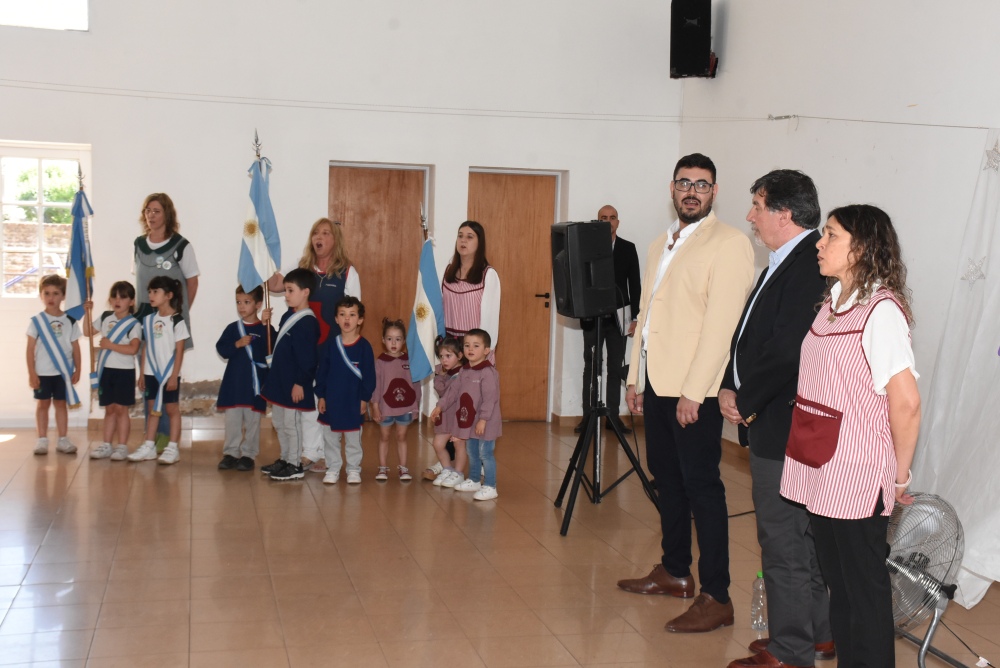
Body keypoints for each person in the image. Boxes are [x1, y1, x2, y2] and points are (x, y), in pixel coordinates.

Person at [617, 153, 754, 633]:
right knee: (665, 480)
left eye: (702, 184)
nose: (691, 191)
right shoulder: (661, 243)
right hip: (657, 382)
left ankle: (717, 595)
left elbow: (722, 328)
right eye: (684, 183)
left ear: (714, 192)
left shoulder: (731, 244)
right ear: (672, 189)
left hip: (695, 390)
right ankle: (675, 570)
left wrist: (697, 393)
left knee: (703, 488)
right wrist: (635, 377)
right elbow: (647, 316)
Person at [779, 204, 920, 668]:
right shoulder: (832, 303)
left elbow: (906, 402)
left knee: (865, 592)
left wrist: (898, 477)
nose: (820, 244)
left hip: (856, 474)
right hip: (820, 463)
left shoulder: (882, 312)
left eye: (831, 236)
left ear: (861, 247)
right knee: (839, 587)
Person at [718, 171, 834, 668]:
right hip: (774, 417)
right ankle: (817, 634)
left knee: (783, 540)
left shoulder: (808, 265)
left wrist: (746, 400)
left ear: (784, 214)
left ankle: (790, 651)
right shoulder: (783, 262)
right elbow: (748, 333)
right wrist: (729, 380)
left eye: (757, 206)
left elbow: (788, 349)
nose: (750, 216)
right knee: (799, 539)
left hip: (784, 424)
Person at [268, 218, 361, 474]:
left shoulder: (348, 272)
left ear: (335, 240)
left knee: (324, 400)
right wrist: (261, 261)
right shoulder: (302, 266)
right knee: (305, 401)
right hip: (305, 347)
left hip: (332, 347)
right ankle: (307, 451)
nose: (319, 237)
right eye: (315, 233)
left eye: (325, 233)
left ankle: (320, 452)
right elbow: (274, 285)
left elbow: (353, 311)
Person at [433, 220, 500, 479]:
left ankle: (478, 462)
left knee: (474, 405)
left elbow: (491, 317)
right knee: (450, 404)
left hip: (473, 350)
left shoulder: (488, 274)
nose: (463, 241)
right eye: (460, 235)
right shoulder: (448, 271)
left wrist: (483, 354)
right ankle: (448, 461)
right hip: (451, 347)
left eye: (470, 236)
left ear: (479, 242)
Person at [577, 204, 642, 435]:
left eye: (612, 217)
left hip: (619, 319)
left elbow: (635, 285)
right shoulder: (586, 248)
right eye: (603, 218)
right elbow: (580, 283)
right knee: (592, 367)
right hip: (593, 318)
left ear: (618, 222)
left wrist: (636, 318)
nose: (608, 221)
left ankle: (613, 417)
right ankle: (587, 417)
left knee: (615, 368)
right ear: (598, 222)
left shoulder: (627, 248)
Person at [259, 269, 320, 481]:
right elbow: (280, 342)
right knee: (279, 422)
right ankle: (285, 458)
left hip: (294, 383)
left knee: (291, 425)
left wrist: (300, 383)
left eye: (290, 290)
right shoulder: (289, 315)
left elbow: (308, 359)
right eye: (285, 290)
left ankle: (294, 464)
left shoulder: (308, 323)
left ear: (305, 292)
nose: (285, 295)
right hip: (280, 381)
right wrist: (267, 326)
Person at [432, 328, 502, 501]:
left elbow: (490, 399)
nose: (470, 349)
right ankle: (474, 479)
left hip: (485, 421)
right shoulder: (464, 371)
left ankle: (491, 486)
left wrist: (483, 419)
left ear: (487, 351)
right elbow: (452, 392)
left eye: (476, 346)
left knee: (485, 453)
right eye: (467, 345)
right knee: (471, 451)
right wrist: (440, 406)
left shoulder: (488, 373)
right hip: (469, 420)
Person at [215, 285, 275, 473]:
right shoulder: (233, 329)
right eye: (239, 302)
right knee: (232, 420)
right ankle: (231, 452)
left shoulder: (265, 329)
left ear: (258, 304)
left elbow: (271, 350)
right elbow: (222, 349)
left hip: (255, 385)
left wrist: (266, 327)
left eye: (247, 302)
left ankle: (248, 454)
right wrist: (237, 344)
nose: (242, 306)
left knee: (253, 421)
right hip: (235, 384)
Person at [316, 296, 376, 485]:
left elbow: (369, 376)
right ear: (336, 319)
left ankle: (353, 469)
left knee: (352, 439)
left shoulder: (364, 347)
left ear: (360, 320)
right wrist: (322, 396)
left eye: (352, 315)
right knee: (330, 439)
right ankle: (333, 467)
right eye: (342, 315)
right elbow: (322, 373)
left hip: (353, 401)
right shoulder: (330, 345)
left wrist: (364, 398)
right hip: (332, 401)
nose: (347, 319)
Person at [129, 276, 188, 465]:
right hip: (150, 373)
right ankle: (149, 446)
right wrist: (142, 372)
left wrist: (173, 376)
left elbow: (179, 351)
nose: (151, 295)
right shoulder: (148, 320)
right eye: (150, 292)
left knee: (171, 409)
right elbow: (146, 346)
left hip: (168, 374)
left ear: (169, 295)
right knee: (152, 408)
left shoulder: (177, 321)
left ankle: (173, 447)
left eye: (156, 292)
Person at [83, 281, 141, 461]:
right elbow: (87, 332)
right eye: (114, 296)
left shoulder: (133, 324)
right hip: (106, 371)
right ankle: (106, 444)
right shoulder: (106, 317)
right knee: (109, 409)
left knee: (121, 409)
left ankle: (122, 446)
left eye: (123, 297)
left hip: (124, 371)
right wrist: (87, 312)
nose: (118, 300)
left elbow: (133, 349)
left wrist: (111, 345)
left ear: (131, 302)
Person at [26, 274, 81, 456]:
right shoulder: (36, 322)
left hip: (63, 373)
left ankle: (63, 439)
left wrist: (78, 369)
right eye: (47, 293)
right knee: (42, 405)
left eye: (55, 293)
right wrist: (32, 373)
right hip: (42, 372)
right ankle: (42, 439)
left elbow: (75, 347)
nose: (51, 298)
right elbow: (30, 350)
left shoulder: (70, 321)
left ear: (63, 296)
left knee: (60, 404)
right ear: (41, 295)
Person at [133, 194, 199, 346]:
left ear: (167, 215)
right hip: (144, 316)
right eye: (148, 210)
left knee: (168, 362)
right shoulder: (138, 245)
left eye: (156, 211)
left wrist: (178, 312)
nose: (151, 215)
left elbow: (193, 282)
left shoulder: (181, 245)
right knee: (145, 362)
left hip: (169, 317)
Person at [371, 318, 421, 482]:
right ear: (383, 340)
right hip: (385, 407)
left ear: (404, 341)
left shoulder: (409, 361)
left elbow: (416, 385)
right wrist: (375, 406)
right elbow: (376, 386)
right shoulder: (380, 362)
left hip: (405, 407)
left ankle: (403, 467)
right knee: (384, 436)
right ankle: (383, 467)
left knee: (402, 436)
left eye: (398, 339)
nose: (394, 343)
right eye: (390, 338)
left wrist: (415, 407)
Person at [429, 337, 467, 488]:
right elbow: (440, 389)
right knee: (438, 444)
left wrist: (439, 406)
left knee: (459, 445)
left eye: (448, 356)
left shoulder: (463, 373)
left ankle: (458, 473)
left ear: (459, 356)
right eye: (441, 356)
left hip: (459, 418)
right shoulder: (444, 373)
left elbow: (449, 393)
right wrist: (440, 376)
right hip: (446, 417)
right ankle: (447, 469)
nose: (444, 360)